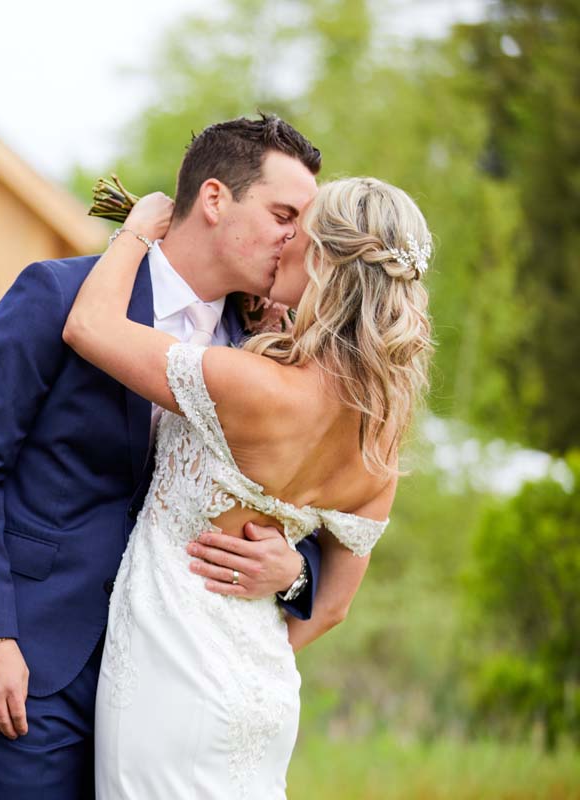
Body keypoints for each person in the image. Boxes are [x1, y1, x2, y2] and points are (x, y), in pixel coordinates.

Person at [0, 115, 326, 799]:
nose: (297, 238)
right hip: (34, 655)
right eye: (284, 213)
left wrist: (294, 573)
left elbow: (304, 510)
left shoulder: (262, 356)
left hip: (171, 681)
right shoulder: (55, 294)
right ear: (217, 199)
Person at [65, 175, 433, 797]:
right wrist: (279, 592)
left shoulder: (252, 386)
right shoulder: (379, 441)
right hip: (262, 685)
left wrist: (136, 231)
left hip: (170, 676)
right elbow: (335, 605)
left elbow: (89, 326)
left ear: (321, 260)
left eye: (299, 229)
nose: (283, 238)